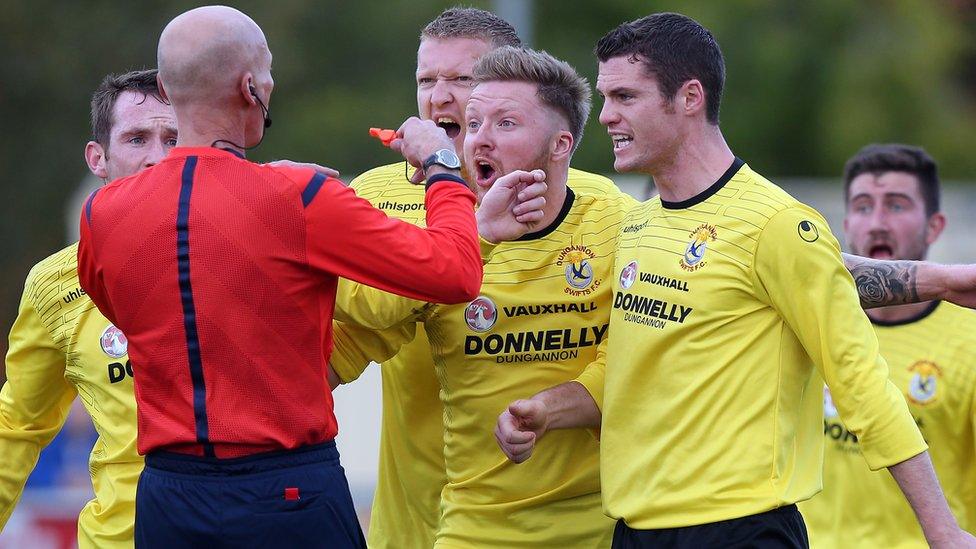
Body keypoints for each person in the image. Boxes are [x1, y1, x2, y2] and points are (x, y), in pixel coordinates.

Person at [494, 13, 976, 549]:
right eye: (606, 98)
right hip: (635, 530)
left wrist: (943, 532)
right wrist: (547, 411)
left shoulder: (776, 223)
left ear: (690, 97)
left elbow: (863, 386)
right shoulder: (636, 221)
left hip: (740, 529)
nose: (606, 116)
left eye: (626, 96)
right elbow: (628, 369)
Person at [76, 6, 545, 548]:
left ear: (165, 86)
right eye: (269, 72)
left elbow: (122, 303)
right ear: (251, 87)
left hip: (165, 495)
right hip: (286, 488)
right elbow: (457, 272)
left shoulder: (101, 213)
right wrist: (441, 168)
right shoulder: (298, 197)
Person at [333, 8, 620, 548]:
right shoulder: (379, 195)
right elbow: (346, 331)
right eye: (425, 80)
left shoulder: (596, 204)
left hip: (572, 525)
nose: (438, 98)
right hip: (419, 522)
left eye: (460, 80)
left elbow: (638, 353)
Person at [0, 69, 176, 548]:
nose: (157, 158)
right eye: (137, 138)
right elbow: (17, 425)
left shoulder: (244, 245)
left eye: (173, 138)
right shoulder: (55, 282)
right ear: (99, 158)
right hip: (122, 536)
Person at [799, 144, 976, 547]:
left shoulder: (971, 340)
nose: (877, 222)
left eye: (896, 207)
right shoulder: (808, 323)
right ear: (845, 223)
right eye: (863, 207)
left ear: (934, 226)